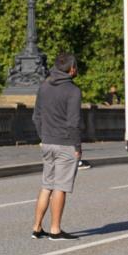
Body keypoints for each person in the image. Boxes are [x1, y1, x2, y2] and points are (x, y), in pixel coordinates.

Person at [31, 53, 82, 241]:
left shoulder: (44, 87)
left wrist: (43, 137)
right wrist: (77, 146)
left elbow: (36, 117)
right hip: (65, 144)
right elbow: (73, 122)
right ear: (71, 69)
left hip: (47, 142)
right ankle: (55, 229)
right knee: (60, 187)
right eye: (75, 67)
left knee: (47, 185)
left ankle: (36, 228)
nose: (76, 70)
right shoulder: (73, 91)